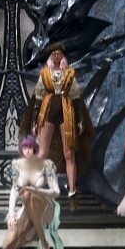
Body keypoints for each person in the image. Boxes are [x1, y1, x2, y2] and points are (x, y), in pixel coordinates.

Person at [32, 47, 91, 197]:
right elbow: (38, 98)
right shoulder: (45, 74)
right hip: (48, 112)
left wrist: (80, 119)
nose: (57, 56)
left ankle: (72, 190)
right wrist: (34, 120)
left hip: (66, 113)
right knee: (42, 152)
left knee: (69, 153)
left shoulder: (69, 74)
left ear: (63, 55)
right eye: (54, 54)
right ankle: (36, 186)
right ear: (51, 56)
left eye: (59, 53)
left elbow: (76, 98)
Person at [0, 135, 65, 249]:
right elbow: (14, 189)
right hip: (27, 208)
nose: (27, 150)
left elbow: (56, 192)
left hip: (45, 206)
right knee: (7, 247)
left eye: (30, 147)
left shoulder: (47, 165)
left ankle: (44, 246)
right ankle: (32, 233)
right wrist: (11, 213)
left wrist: (36, 191)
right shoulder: (16, 165)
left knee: (27, 194)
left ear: (35, 148)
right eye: (24, 147)